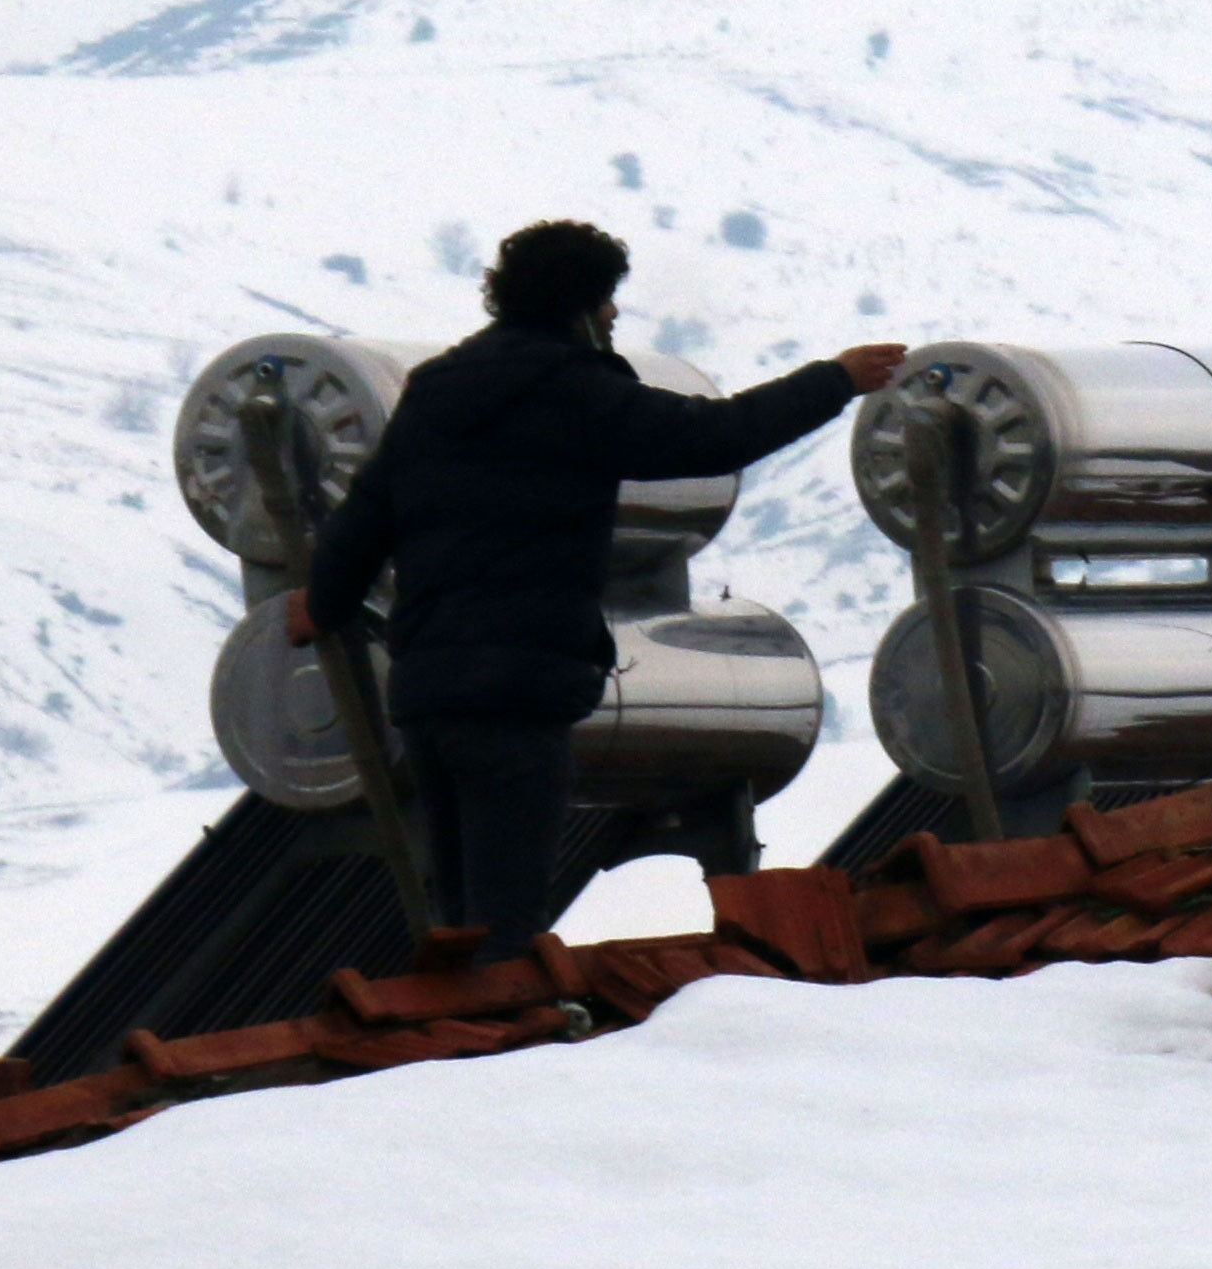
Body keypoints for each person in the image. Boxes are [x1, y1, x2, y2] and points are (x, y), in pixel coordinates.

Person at [294, 221, 903, 949]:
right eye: (607, 300)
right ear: (580, 305)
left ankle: (452, 1037)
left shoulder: (434, 396)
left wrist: (320, 607)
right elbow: (715, 437)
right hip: (519, 692)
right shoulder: (574, 394)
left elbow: (366, 517)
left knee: (456, 912)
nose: (614, 316)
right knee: (507, 923)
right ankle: (503, 1037)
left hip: (428, 694)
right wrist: (835, 380)